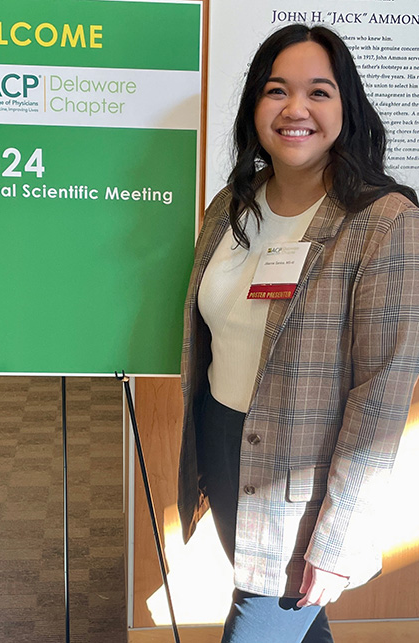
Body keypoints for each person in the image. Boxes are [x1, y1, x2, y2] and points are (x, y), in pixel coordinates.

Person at [177, 23, 419, 643]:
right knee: (296, 624)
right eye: (276, 90)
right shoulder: (231, 203)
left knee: (262, 626)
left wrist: (342, 534)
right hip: (224, 447)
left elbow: (384, 390)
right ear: (255, 105)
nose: (295, 109)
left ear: (348, 108)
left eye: (319, 92)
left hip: (306, 480)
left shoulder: (384, 221)